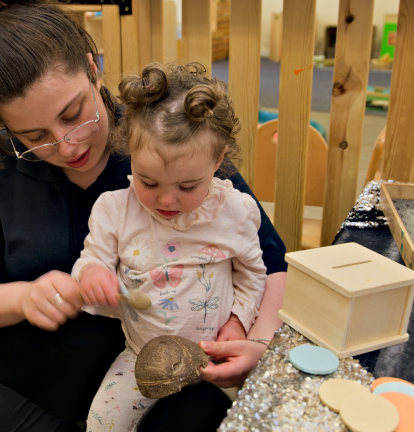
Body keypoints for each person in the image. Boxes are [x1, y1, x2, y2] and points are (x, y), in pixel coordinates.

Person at [0, 1, 287, 431]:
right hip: (43, 354)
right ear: (8, 129)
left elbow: (271, 264)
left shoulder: (163, 143)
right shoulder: (0, 163)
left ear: (92, 70)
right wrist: (24, 298)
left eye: (72, 115)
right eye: (34, 137)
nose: (67, 147)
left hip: (155, 355)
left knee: (201, 410)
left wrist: (256, 342)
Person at [73, 62, 268, 431]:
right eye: (148, 181)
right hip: (140, 357)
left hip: (216, 358)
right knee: (101, 422)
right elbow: (90, 259)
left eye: (187, 187)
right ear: (129, 148)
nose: (166, 199)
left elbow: (254, 275)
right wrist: (92, 273)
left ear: (218, 158)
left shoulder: (236, 212)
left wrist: (240, 323)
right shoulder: (115, 209)